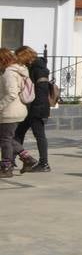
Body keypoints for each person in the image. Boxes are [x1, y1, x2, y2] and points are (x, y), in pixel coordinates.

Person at [0, 47, 37, 177]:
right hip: (18, 110)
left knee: (5, 140)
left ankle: (6, 168)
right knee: (7, 138)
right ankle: (27, 159)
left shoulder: (9, 73)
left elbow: (11, 94)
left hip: (10, 111)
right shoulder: (19, 70)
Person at [14, 46, 52, 173]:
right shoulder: (34, 67)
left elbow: (41, 91)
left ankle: (44, 163)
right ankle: (10, 160)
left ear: (26, 55)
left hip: (36, 107)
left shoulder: (38, 68)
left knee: (39, 135)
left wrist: (36, 107)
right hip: (32, 106)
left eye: (19, 57)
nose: (18, 59)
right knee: (18, 133)